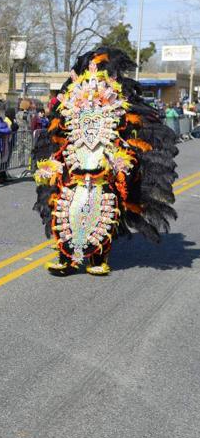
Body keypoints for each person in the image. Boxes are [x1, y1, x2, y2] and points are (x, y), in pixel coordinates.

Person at [33, 47, 177, 276]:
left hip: (101, 186)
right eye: (85, 120)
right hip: (74, 186)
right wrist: (51, 167)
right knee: (67, 216)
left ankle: (97, 259)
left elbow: (127, 159)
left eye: (95, 120)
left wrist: (121, 166)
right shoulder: (73, 141)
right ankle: (67, 258)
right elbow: (60, 156)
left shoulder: (113, 141)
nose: (90, 127)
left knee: (101, 219)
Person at [0, 107, 19, 183]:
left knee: (7, 160)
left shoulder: (12, 120)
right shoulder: (7, 120)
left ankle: (4, 175)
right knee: (4, 159)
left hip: (10, 141)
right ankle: (1, 176)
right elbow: (8, 130)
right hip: (6, 142)